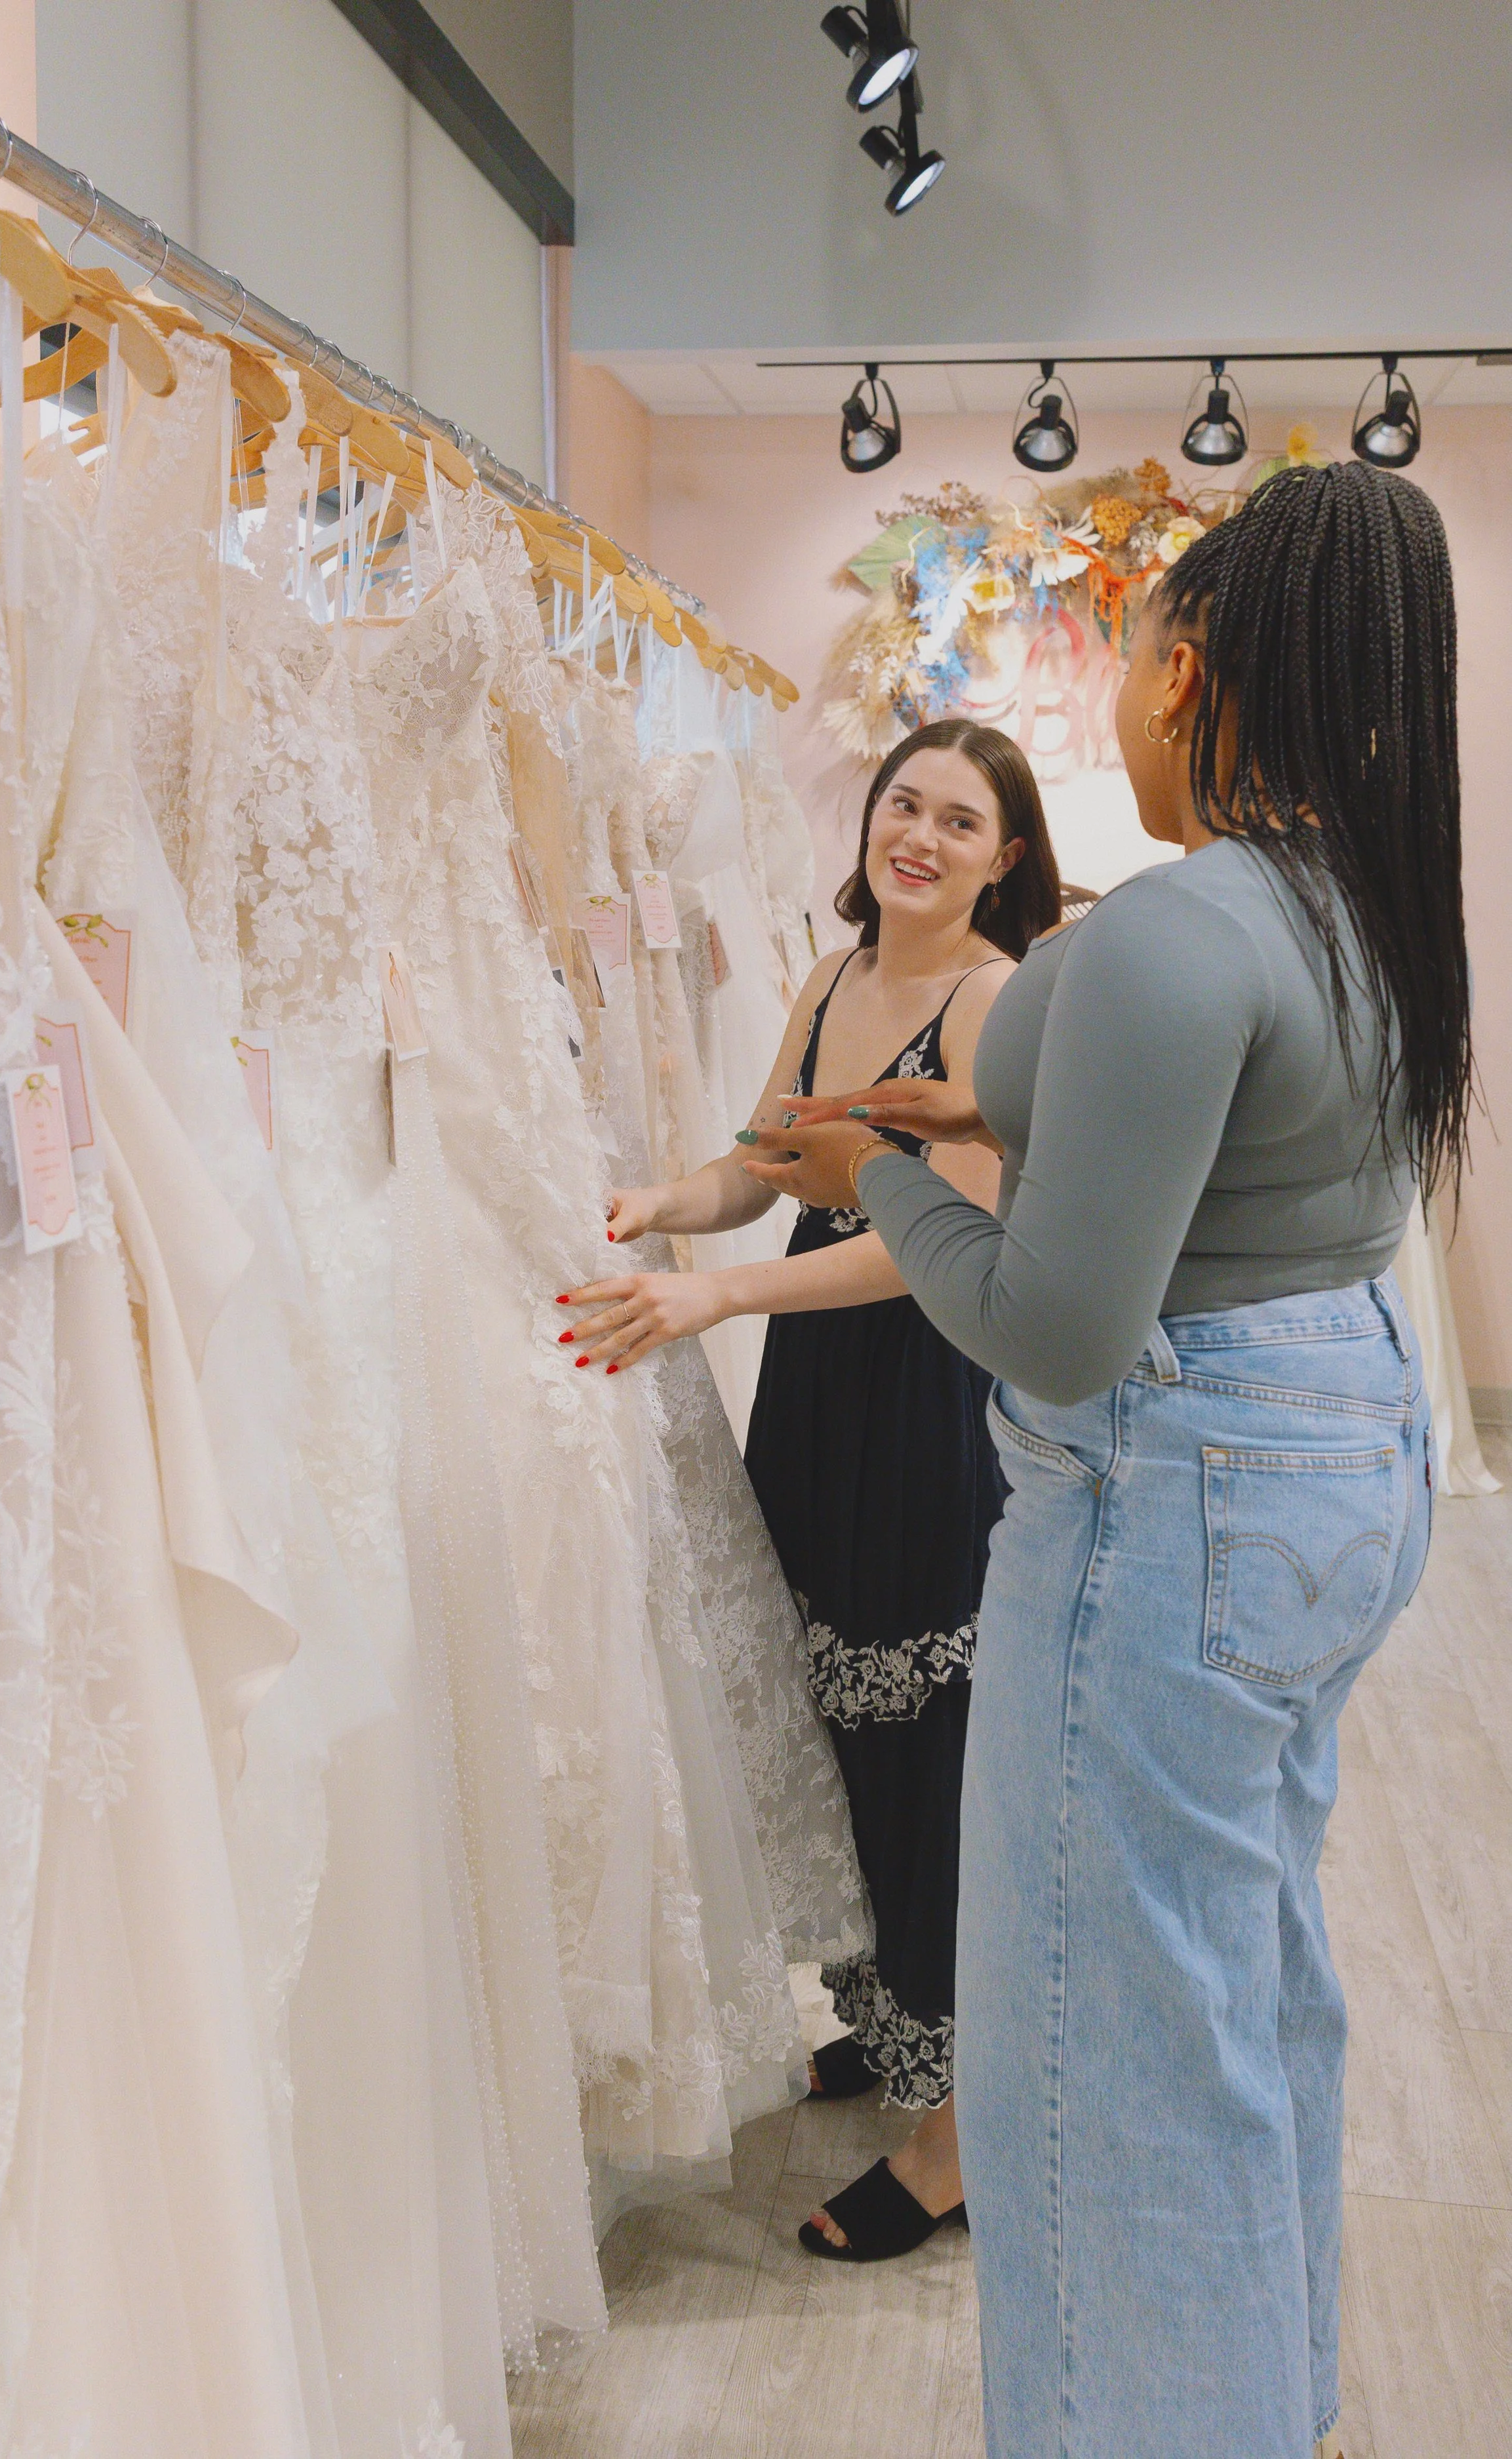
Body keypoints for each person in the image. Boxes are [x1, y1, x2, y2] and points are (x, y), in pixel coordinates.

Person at [749, 462, 1465, 2459]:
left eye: (1137, 660)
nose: (1127, 707)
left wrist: (878, 1174)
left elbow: (1062, 1323)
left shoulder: (1183, 924)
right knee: (1235, 1983)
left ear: (1195, 666)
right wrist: (966, 1128)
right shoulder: (1369, 906)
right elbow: (1227, 1174)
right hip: (1331, 1446)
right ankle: (1272, 2400)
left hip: (1181, 1484)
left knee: (1095, 2037)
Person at [554, 719, 1062, 2261]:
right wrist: (666, 1207)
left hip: (926, 1390)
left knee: (927, 1743)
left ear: (1004, 859)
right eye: (901, 805)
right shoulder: (834, 979)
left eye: (956, 822)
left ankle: (959, 2136)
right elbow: (763, 1166)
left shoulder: (990, 1002)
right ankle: (886, 2018)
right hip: (820, 1380)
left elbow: (929, 1240)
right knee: (827, 1700)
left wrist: (711, 1304)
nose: (916, 837)